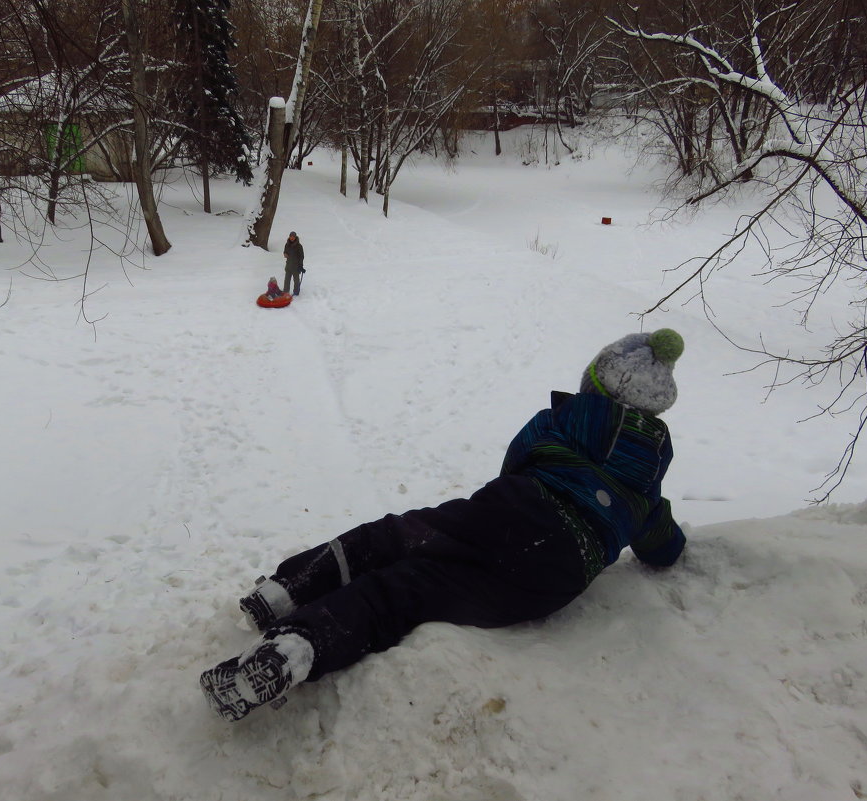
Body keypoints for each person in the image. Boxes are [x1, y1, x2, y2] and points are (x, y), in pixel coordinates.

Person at [200, 329, 688, 722]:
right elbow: (662, 546)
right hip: (557, 576)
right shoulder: (647, 484)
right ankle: (294, 650)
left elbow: (514, 464)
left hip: (511, 509)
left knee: (393, 538)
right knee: (405, 594)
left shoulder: (558, 421)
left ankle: (284, 591)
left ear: (593, 386)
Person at [282, 231, 305, 296]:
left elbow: (301, 256)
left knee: (296, 281)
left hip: (296, 266)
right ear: (289, 237)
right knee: (286, 280)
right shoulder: (287, 244)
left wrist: (300, 265)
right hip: (288, 265)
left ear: (295, 237)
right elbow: (285, 251)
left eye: (293, 237)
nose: (292, 238)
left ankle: (296, 292)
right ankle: (286, 292)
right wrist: (285, 254)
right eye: (291, 236)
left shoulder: (299, 246)